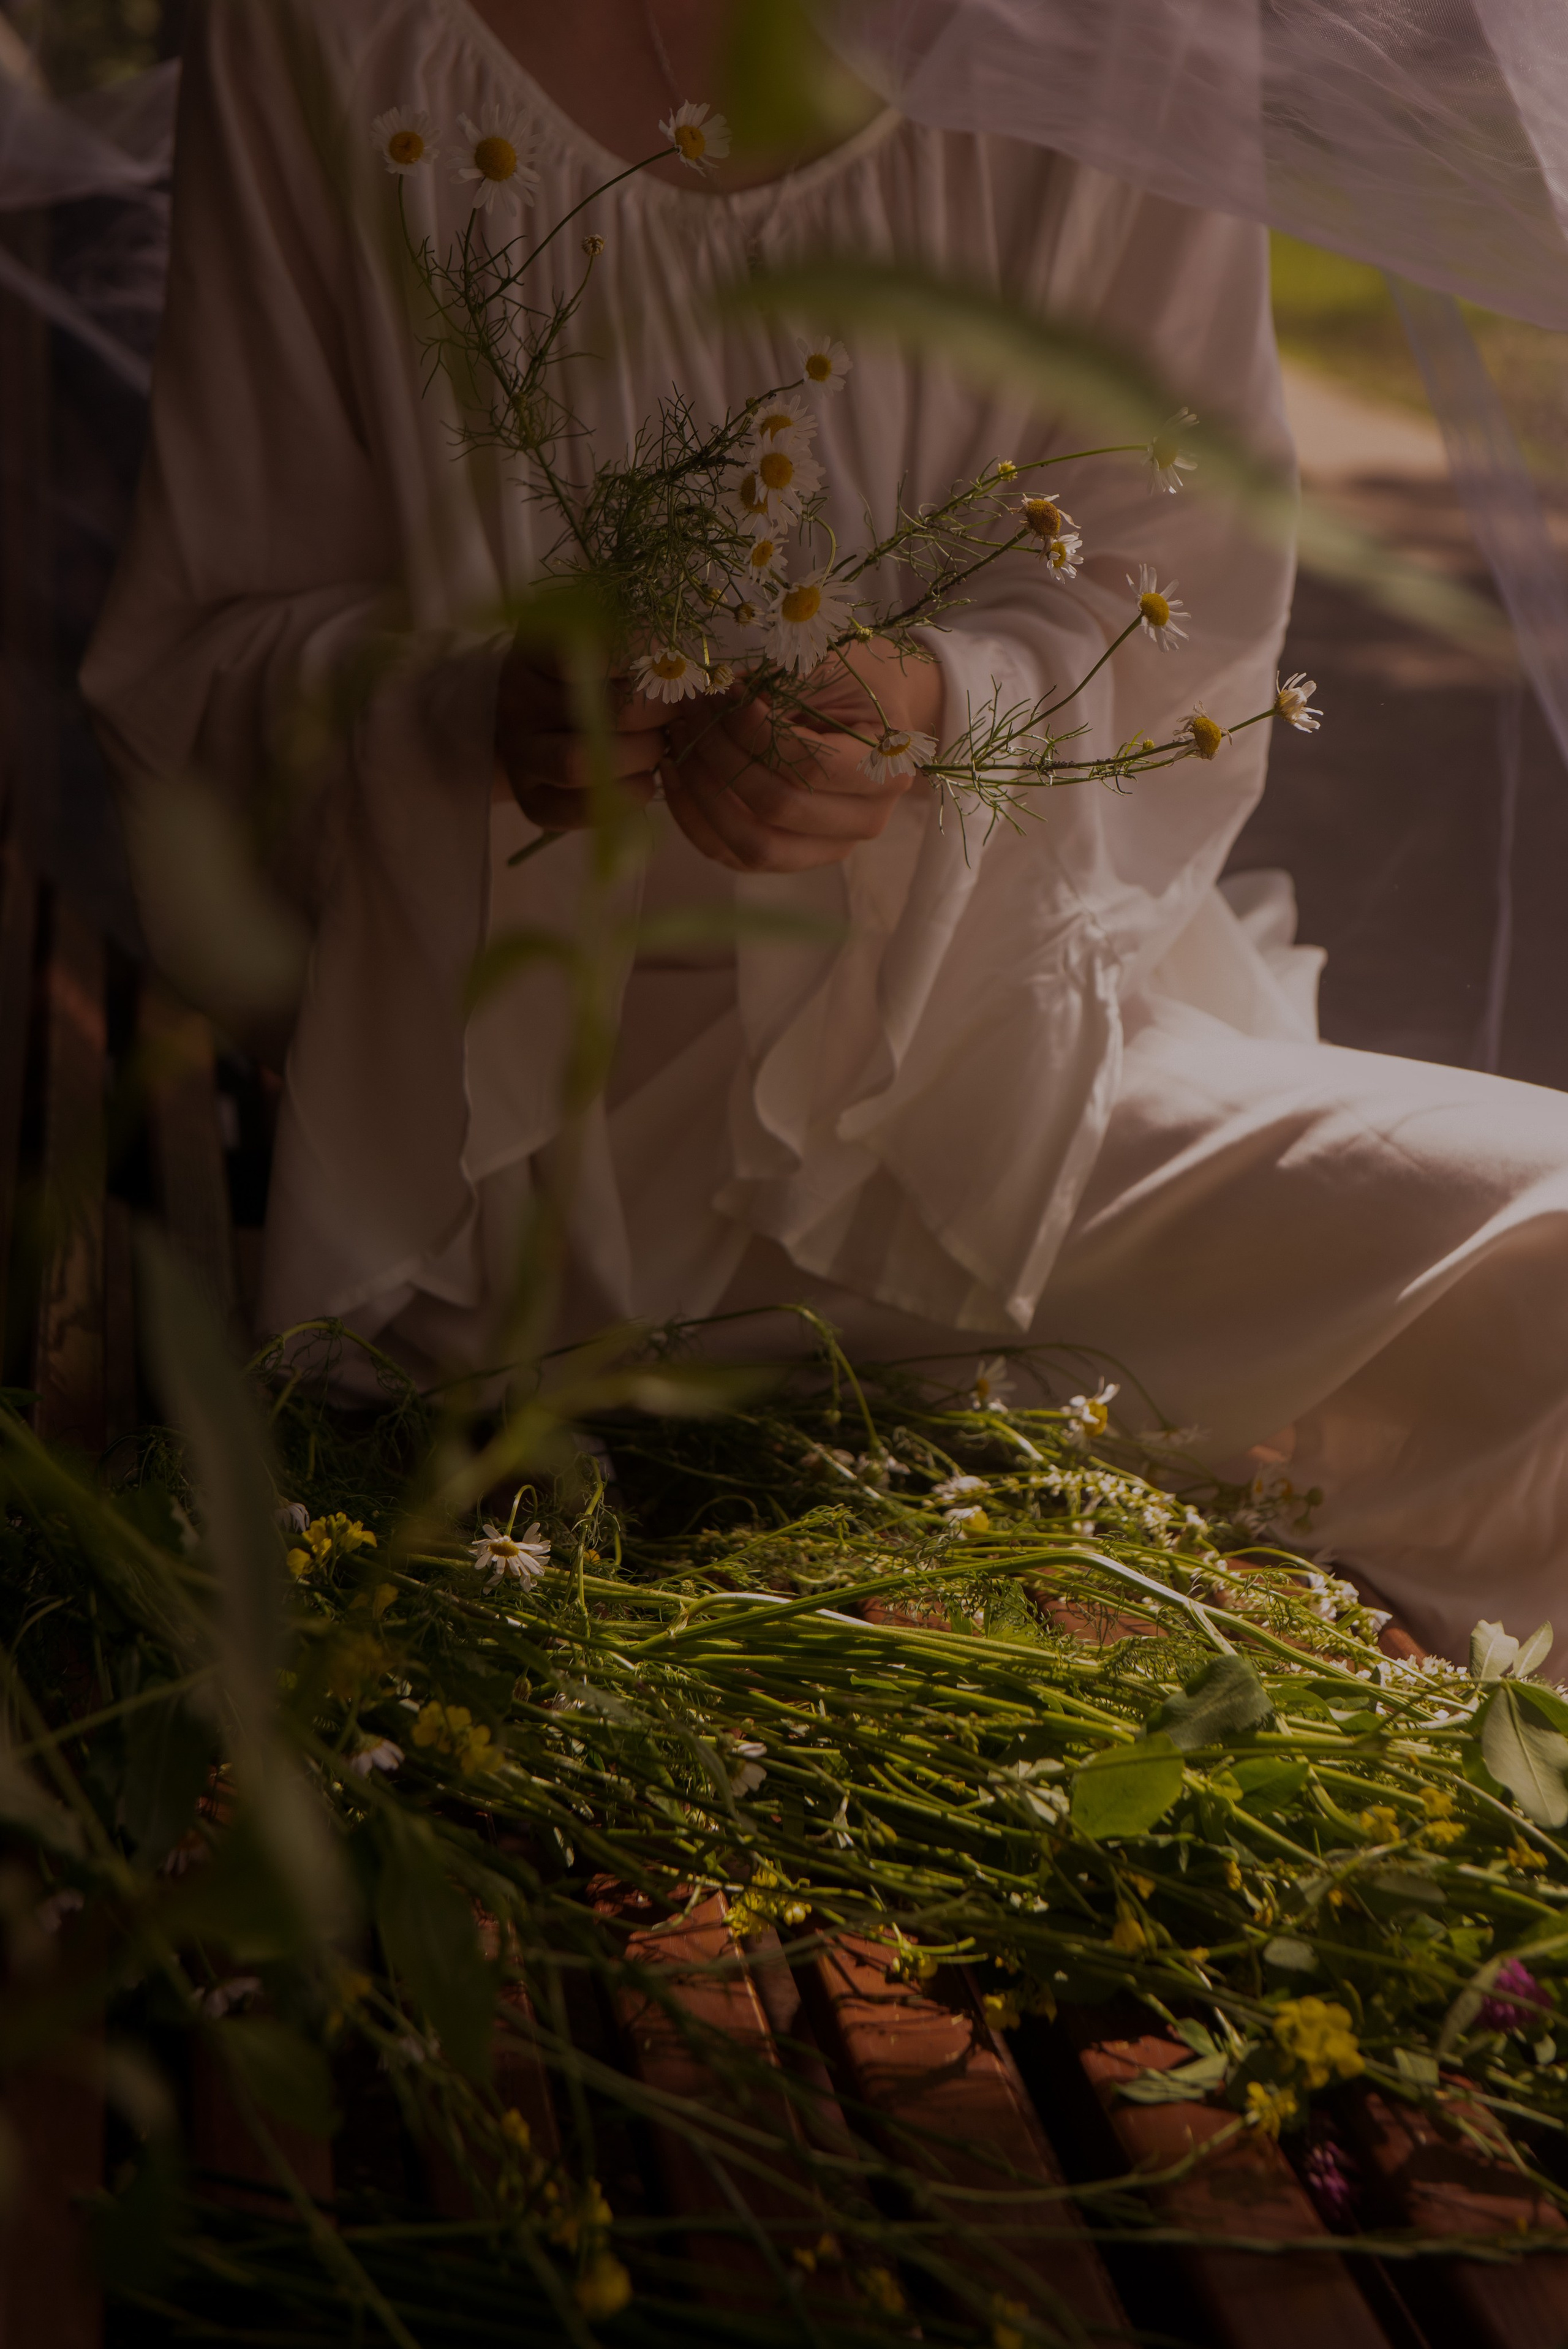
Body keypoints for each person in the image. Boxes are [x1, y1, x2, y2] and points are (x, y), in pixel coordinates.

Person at [83, 0, 1568, 1666]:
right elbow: (195, 663)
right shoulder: (325, 32)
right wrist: (472, 719)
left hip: (994, 1117)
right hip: (498, 1186)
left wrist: (937, 708)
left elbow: (1184, 593)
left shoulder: (1117, 26)